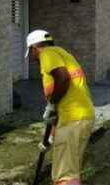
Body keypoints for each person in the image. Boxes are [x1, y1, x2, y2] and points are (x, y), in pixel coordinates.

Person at [26, 30, 95, 185]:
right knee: (71, 172)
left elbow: (63, 78)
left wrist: (51, 104)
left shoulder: (47, 54)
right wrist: (50, 137)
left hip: (73, 120)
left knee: (64, 176)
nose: (33, 58)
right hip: (79, 118)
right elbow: (59, 107)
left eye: (31, 53)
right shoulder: (63, 54)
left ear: (35, 47)